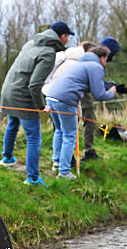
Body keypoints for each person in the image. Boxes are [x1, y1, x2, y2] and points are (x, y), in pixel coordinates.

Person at [0, 21, 74, 185]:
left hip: (8, 89)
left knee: (12, 123)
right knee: (34, 137)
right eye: (68, 37)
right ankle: (32, 178)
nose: (68, 40)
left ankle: (7, 158)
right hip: (22, 96)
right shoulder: (48, 53)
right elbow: (34, 85)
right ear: (63, 37)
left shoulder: (30, 43)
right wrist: (41, 106)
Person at [44, 44, 117, 178]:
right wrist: (111, 92)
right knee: (70, 135)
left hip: (51, 96)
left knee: (59, 130)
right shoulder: (96, 67)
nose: (106, 63)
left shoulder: (80, 63)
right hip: (65, 101)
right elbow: (99, 94)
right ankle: (64, 172)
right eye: (106, 59)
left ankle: (57, 162)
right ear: (102, 58)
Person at [80, 36, 122, 161]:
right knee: (89, 119)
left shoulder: (90, 55)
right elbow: (96, 87)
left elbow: (97, 81)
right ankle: (87, 152)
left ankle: (67, 156)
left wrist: (112, 85)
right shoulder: (93, 61)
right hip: (79, 90)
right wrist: (110, 91)